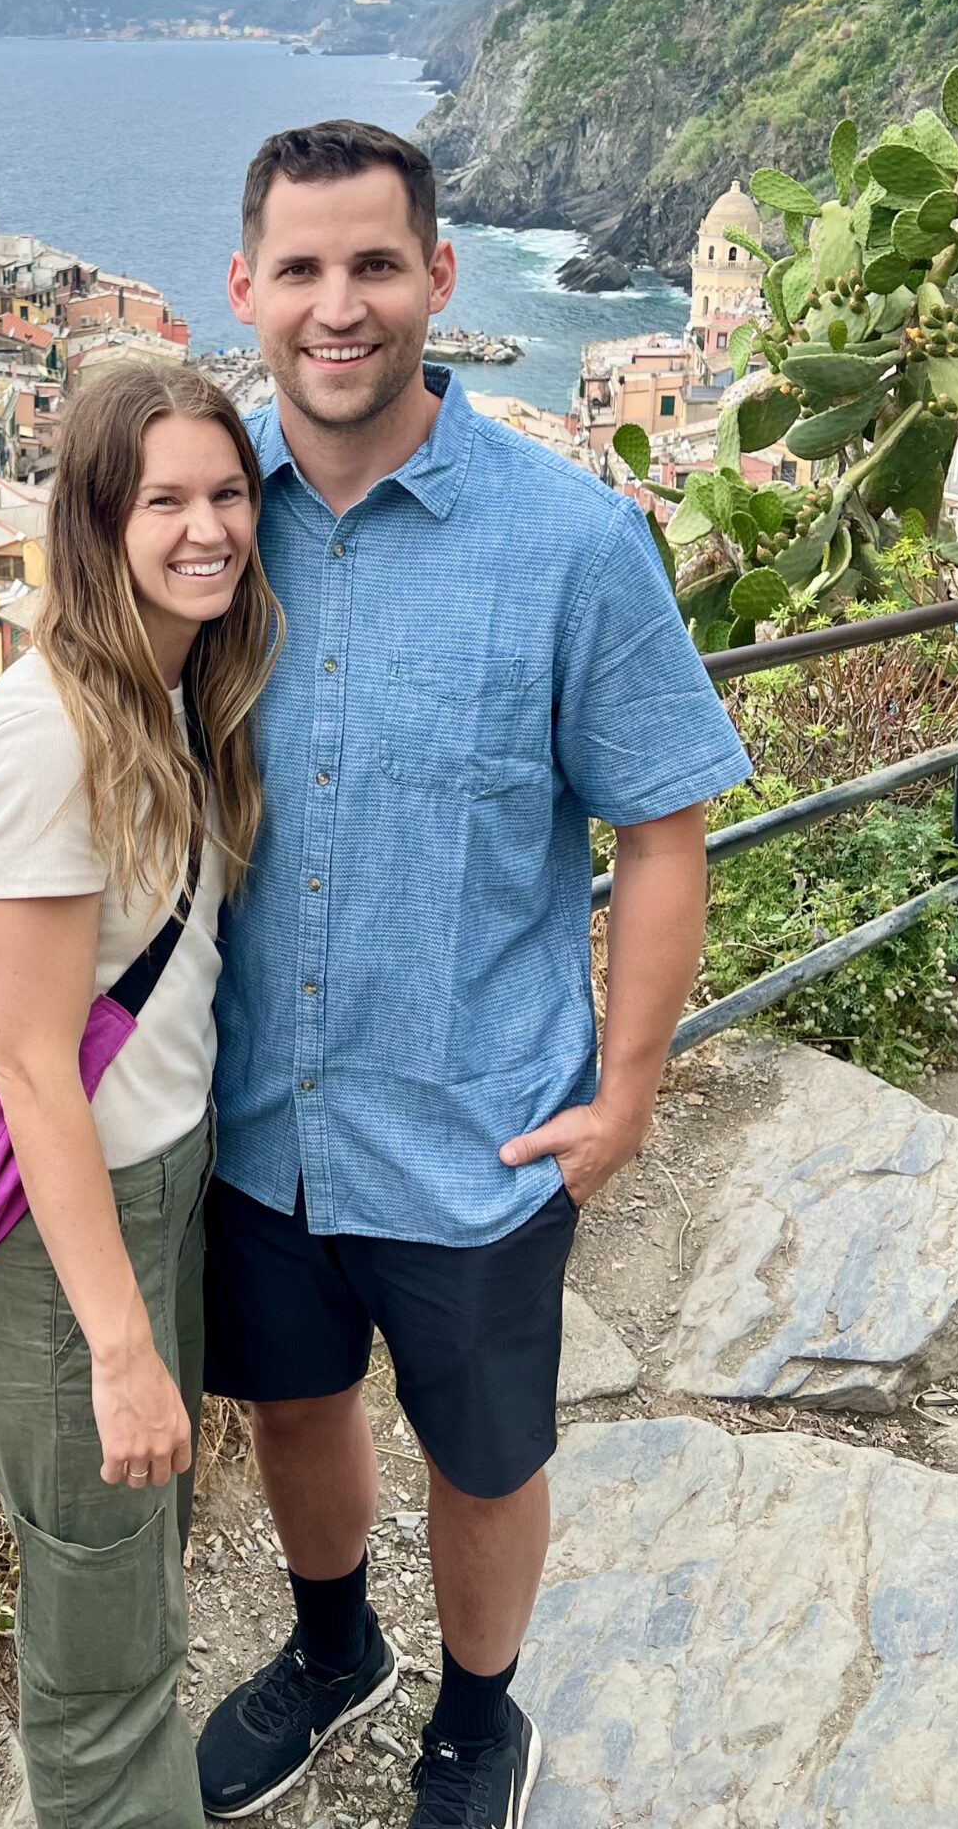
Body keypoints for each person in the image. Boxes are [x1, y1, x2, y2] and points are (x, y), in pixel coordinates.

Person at [194, 122, 750, 1827]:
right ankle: (336, 1642)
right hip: (255, 1124)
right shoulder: (204, 541)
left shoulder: (573, 545)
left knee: (487, 1456)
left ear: (441, 279)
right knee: (294, 1410)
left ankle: (482, 1709)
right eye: (302, 270)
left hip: (479, 1129)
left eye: (375, 265)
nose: (338, 306)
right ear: (249, 291)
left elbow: (662, 829)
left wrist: (628, 1090)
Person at [0, 363, 281, 1829]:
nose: (207, 529)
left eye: (226, 494)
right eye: (165, 502)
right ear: (96, 520)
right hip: (66, 1236)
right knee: (99, 1645)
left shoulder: (169, 688)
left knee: (138, 1573)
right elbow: (27, 1061)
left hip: (162, 1181)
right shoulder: (48, 729)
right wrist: (123, 1344)